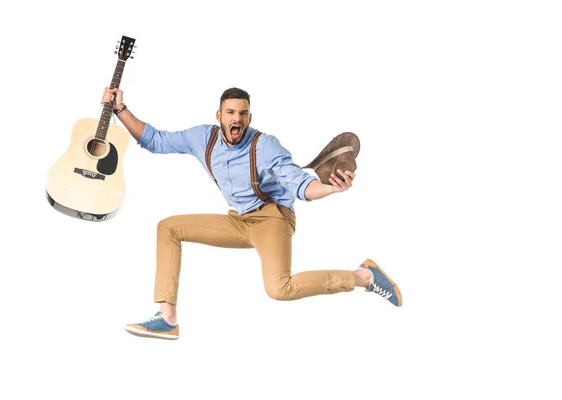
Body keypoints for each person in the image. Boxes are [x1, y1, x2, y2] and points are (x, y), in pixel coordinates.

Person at [101, 87, 402, 340]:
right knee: (168, 227)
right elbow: (155, 140)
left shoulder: (265, 146)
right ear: (218, 116)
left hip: (273, 218)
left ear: (249, 117)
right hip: (239, 220)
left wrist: (331, 189)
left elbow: (301, 185)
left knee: (279, 288)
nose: (237, 119)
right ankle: (168, 319)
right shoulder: (201, 138)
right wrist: (121, 108)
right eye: (230, 113)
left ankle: (363, 276)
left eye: (242, 114)